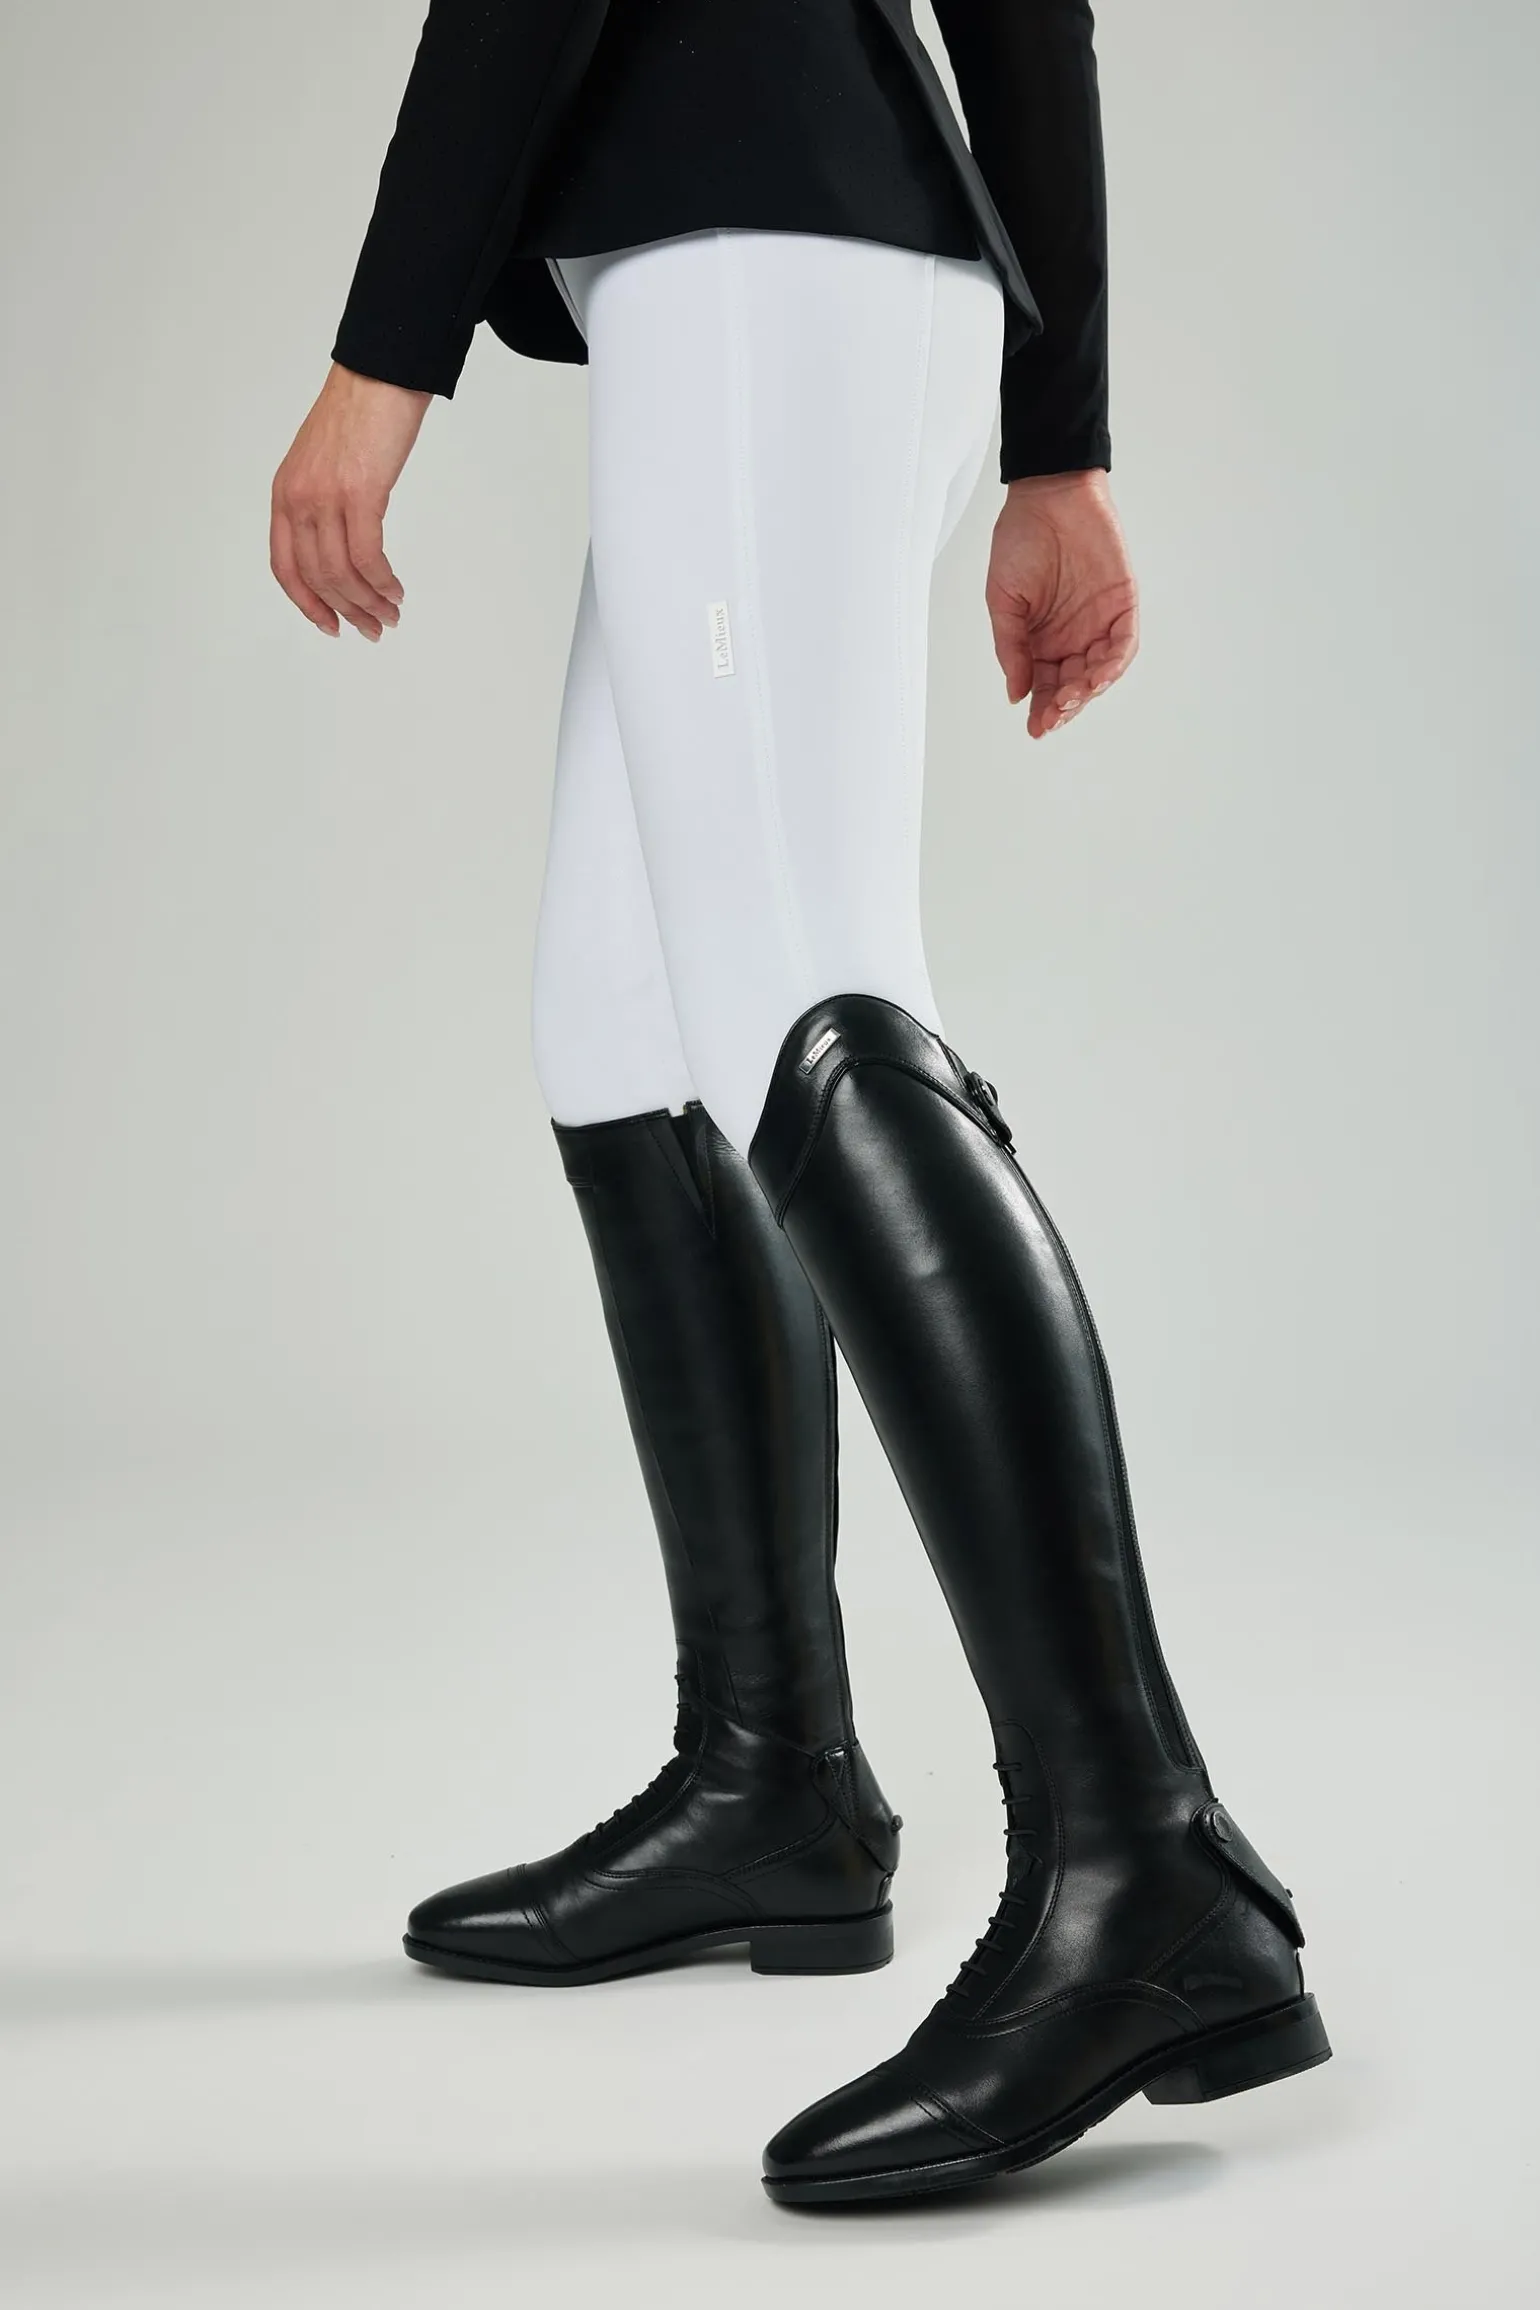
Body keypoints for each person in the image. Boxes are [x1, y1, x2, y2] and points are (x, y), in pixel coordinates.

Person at [270, 0, 1330, 2206]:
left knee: (808, 1014)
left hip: (758, 268)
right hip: (795, 268)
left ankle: (1142, 1871)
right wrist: (1053, 438)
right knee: (623, 1032)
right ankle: (772, 1783)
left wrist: (385, 355)